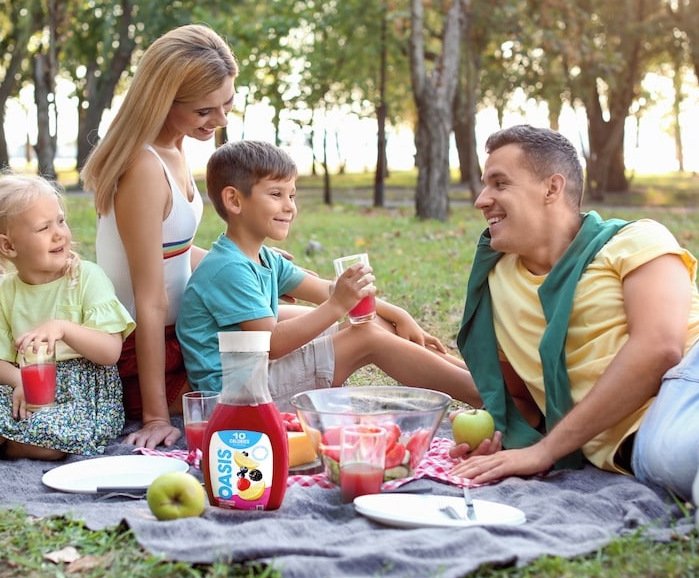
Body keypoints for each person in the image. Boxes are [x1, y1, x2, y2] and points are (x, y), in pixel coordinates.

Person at [452, 123, 699, 502]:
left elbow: (660, 348)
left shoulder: (633, 239)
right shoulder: (496, 283)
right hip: (647, 424)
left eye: (499, 183)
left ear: (552, 188)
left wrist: (546, 450)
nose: (481, 199)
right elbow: (516, 397)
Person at [176, 139, 483, 410]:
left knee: (368, 320)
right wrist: (337, 305)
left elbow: (325, 289)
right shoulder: (228, 268)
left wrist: (399, 314)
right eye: (276, 194)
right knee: (367, 336)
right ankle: (485, 397)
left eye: (292, 195)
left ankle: (485, 383)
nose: (289, 207)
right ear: (234, 200)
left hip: (255, 375)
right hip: (237, 397)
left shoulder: (264, 258)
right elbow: (273, 342)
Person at [81, 23, 239, 449]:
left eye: (226, 103)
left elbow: (178, 253)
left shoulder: (174, 147)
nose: (220, 119)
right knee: (347, 337)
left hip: (185, 325)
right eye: (205, 111)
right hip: (147, 351)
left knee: (326, 322)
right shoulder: (144, 168)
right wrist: (154, 417)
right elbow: (148, 300)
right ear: (163, 101)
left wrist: (254, 273)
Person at [0, 175, 135, 460]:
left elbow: (110, 352)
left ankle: (7, 443)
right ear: (8, 246)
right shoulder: (4, 292)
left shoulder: (85, 277)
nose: (59, 233)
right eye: (44, 227)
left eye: (60, 221)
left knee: (49, 442)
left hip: (81, 400)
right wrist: (19, 380)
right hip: (23, 390)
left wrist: (64, 329)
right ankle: (2, 438)